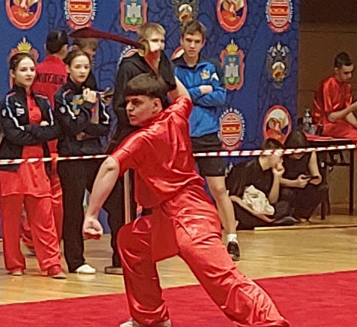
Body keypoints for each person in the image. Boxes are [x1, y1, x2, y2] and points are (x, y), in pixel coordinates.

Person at [83, 73, 299, 327]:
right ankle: (150, 315)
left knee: (219, 274)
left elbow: (111, 167)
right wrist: (162, 70)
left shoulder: (143, 138)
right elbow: (183, 96)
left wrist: (92, 215)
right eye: (128, 103)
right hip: (165, 216)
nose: (130, 108)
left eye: (137, 102)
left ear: (156, 105)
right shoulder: (176, 114)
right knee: (131, 241)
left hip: (190, 215)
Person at [102, 22, 177, 275]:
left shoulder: (164, 63)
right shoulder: (129, 66)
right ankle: (120, 257)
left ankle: (149, 253)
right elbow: (120, 106)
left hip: (157, 140)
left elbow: (170, 97)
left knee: (152, 201)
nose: (159, 46)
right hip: (131, 137)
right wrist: (141, 127)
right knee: (122, 205)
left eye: (162, 41)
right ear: (142, 42)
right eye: (154, 41)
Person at [172, 19, 240, 261]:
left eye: (197, 41)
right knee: (182, 192)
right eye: (188, 40)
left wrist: (191, 95)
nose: (192, 45)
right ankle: (182, 240)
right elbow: (176, 100)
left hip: (208, 135)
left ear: (203, 43)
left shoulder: (211, 67)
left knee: (219, 189)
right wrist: (201, 90)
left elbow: (220, 97)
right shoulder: (173, 69)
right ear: (181, 41)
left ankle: (232, 238)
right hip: (182, 136)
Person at [0, 52, 66, 279]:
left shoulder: (43, 101)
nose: (29, 74)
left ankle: (52, 264)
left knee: (44, 217)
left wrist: (30, 129)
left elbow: (54, 130)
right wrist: (38, 130)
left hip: (38, 166)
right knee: (11, 221)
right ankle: (15, 264)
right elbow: (13, 135)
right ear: (13, 74)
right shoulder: (8, 101)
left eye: (32, 70)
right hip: (13, 168)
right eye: (23, 70)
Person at [54, 49, 110, 275]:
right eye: (77, 66)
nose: (82, 71)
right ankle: (76, 261)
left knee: (114, 202)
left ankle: (120, 257)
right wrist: (86, 107)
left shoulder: (94, 93)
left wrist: (84, 132)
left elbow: (104, 126)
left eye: (86, 67)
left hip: (94, 155)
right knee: (74, 210)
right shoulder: (62, 95)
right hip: (72, 158)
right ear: (67, 68)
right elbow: (71, 127)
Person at [21, 30, 69, 252]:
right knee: (56, 194)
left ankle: (31, 238)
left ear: (45, 47)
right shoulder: (68, 73)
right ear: (65, 49)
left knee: (34, 192)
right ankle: (53, 240)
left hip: (34, 139)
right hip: (59, 139)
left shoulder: (34, 71)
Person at [226, 139, 295, 229]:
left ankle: (262, 222)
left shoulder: (270, 171)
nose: (281, 161)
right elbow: (232, 197)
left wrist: (277, 177)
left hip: (262, 207)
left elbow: (272, 201)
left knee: (285, 206)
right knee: (234, 209)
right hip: (244, 207)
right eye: (280, 157)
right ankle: (266, 222)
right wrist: (255, 213)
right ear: (270, 154)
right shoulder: (245, 168)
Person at [280, 131, 329, 220]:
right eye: (297, 152)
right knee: (286, 193)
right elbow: (276, 179)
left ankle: (303, 215)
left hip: (302, 183)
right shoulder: (281, 154)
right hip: (287, 183)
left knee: (322, 188)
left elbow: (316, 173)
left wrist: (315, 179)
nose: (300, 155)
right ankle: (287, 214)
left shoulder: (309, 153)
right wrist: (294, 183)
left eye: (302, 152)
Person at [312, 52, 357, 141]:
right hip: (324, 123)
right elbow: (331, 117)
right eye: (346, 73)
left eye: (351, 72)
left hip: (340, 123)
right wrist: (352, 107)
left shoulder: (347, 86)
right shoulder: (327, 85)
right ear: (336, 71)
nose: (350, 76)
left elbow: (347, 113)